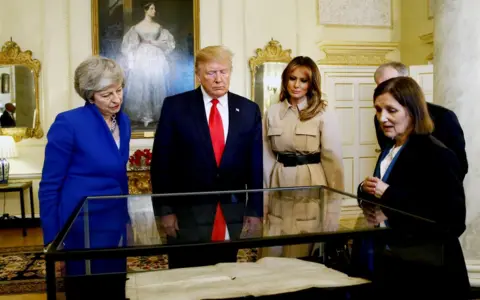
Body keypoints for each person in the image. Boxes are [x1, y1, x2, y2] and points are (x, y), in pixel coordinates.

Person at [150, 45, 263, 268]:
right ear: (198, 74)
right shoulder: (175, 107)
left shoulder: (248, 109)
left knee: (225, 272)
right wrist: (165, 210)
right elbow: (162, 164)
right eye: (211, 73)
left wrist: (255, 209)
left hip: (231, 210)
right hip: (186, 213)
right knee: (186, 276)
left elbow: (255, 164)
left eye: (224, 71)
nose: (219, 79)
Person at [357, 77, 469, 299]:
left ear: (413, 111)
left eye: (391, 110)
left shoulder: (438, 154)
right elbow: (384, 193)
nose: (383, 118)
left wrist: (387, 192)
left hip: (429, 273)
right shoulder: (390, 149)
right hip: (395, 262)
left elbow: (453, 220)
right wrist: (364, 188)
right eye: (378, 110)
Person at [39, 56, 131, 300]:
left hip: (114, 221)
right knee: (85, 291)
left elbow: (119, 173)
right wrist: (52, 239)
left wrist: (128, 216)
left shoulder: (124, 120)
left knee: (114, 286)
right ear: (90, 96)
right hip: (81, 224)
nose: (116, 99)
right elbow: (49, 185)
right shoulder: (69, 123)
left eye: (119, 90)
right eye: (106, 94)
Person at [263, 56, 344, 258]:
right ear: (285, 80)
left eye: (303, 80)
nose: (296, 85)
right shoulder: (272, 112)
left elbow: (333, 162)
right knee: (273, 248)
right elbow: (265, 158)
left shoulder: (322, 113)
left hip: (311, 185)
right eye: (292, 78)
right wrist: (262, 199)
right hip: (278, 184)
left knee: (304, 249)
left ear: (311, 84)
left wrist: (333, 208)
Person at [373, 62, 468, 179]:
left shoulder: (443, 116)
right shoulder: (379, 118)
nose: (385, 91)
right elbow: (388, 158)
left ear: (409, 83)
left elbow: (458, 166)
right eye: (381, 86)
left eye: (392, 83)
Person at [121, 2, 175, 128]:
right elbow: (130, 45)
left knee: (156, 82)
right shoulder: (137, 27)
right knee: (142, 83)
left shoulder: (158, 26)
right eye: (151, 8)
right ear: (146, 10)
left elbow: (167, 42)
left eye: (154, 8)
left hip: (156, 55)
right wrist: (131, 58)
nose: (154, 10)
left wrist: (155, 43)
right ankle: (144, 115)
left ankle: (156, 114)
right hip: (142, 56)